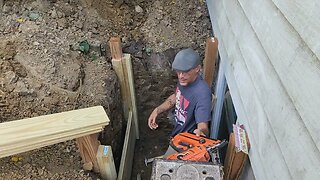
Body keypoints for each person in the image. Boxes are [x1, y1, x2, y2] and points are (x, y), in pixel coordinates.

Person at [148, 48, 212, 156]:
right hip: (177, 134)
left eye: (186, 72)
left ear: (197, 69)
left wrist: (200, 132)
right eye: (178, 72)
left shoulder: (202, 93)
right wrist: (157, 110)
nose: (181, 76)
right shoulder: (185, 81)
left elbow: (203, 126)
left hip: (185, 144)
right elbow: (176, 97)